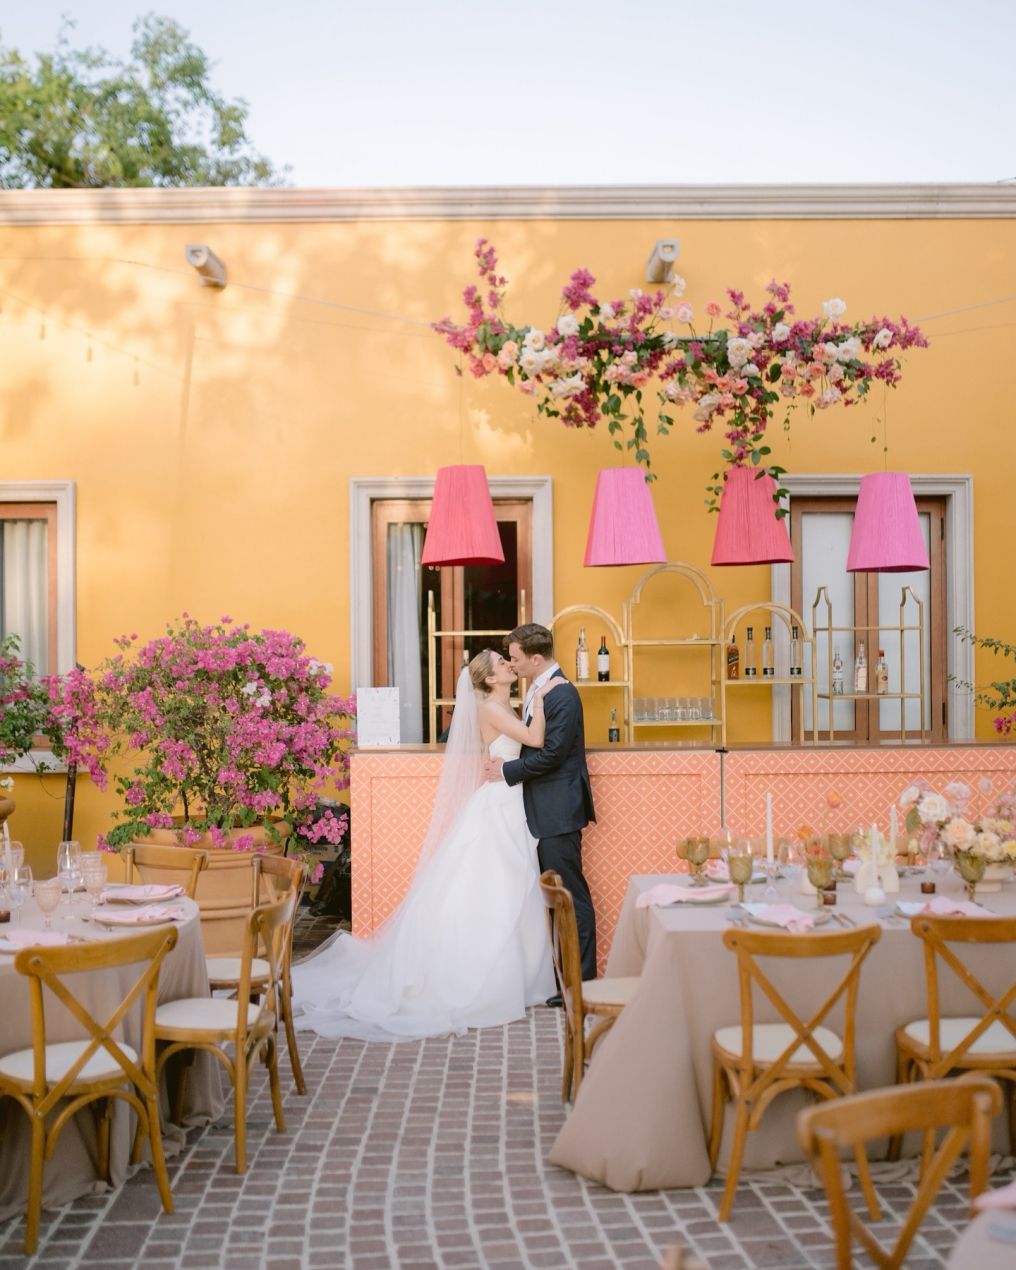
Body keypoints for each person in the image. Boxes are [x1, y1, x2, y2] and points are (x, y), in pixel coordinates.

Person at [289, 650, 558, 1040]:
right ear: (489, 679)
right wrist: (542, 700)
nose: (508, 665)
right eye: (501, 663)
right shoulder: (490, 708)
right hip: (500, 803)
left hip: (509, 798)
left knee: (511, 886)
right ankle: (482, 979)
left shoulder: (504, 705)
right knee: (498, 886)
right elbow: (534, 739)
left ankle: (520, 979)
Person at [486, 623, 597, 984]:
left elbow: (552, 754)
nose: (512, 663)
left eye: (515, 657)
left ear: (535, 659)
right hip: (542, 811)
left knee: (569, 898)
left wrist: (506, 771)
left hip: (558, 811)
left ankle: (580, 984)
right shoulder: (539, 688)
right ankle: (563, 981)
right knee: (555, 898)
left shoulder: (562, 694)